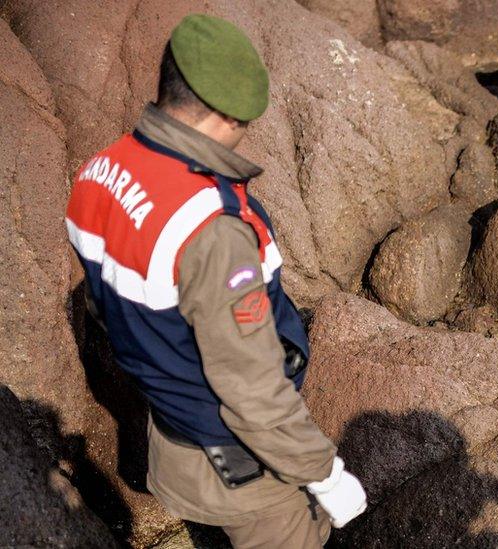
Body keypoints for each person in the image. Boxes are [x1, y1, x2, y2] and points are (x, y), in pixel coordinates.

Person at [64, 14, 365, 548]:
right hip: (237, 465)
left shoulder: (102, 171)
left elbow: (105, 303)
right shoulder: (211, 231)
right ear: (228, 114)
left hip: (170, 433)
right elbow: (250, 387)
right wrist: (326, 474)